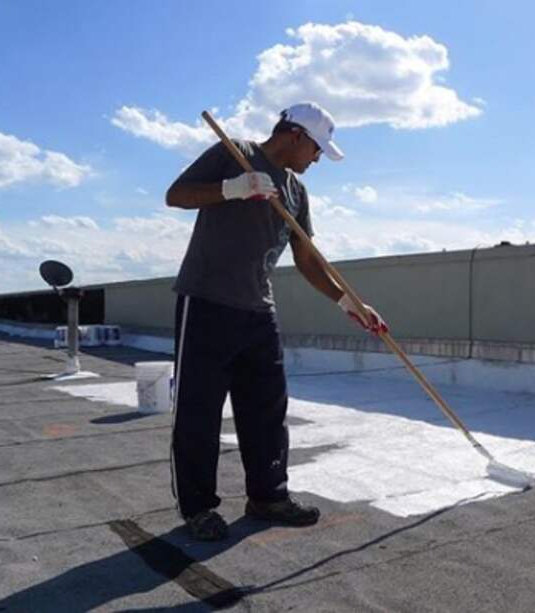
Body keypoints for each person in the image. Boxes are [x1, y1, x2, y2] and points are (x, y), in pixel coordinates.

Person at [165, 102, 388, 541]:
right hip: (207, 300)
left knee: (267, 410)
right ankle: (198, 508)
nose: (318, 158)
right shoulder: (237, 153)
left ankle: (268, 496)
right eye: (317, 149)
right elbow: (177, 195)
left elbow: (306, 258)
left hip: (258, 310)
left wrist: (350, 302)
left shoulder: (295, 191)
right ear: (295, 135)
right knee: (199, 412)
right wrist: (233, 188)